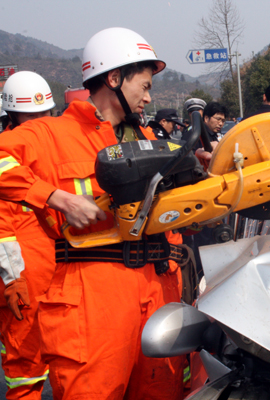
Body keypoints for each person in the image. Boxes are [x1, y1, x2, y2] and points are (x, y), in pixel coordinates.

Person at [0, 27, 185, 398]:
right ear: (114, 79)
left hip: (158, 291)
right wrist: (55, 196)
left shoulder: (150, 142)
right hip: (92, 301)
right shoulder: (50, 134)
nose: (149, 97)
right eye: (144, 86)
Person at [0, 71, 56, 399]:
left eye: (43, 114)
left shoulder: (46, 153)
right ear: (13, 116)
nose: (38, 122)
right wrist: (12, 280)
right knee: (25, 363)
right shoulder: (6, 160)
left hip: (51, 278)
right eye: (30, 116)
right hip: (20, 283)